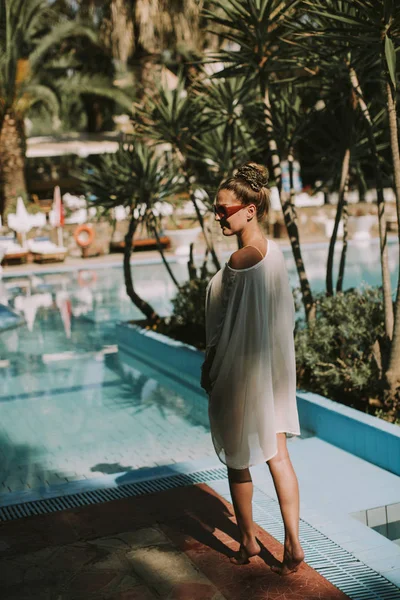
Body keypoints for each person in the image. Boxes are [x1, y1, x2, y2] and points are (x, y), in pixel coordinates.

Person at [201, 162, 304, 575]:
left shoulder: (240, 262)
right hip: (271, 376)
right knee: (278, 455)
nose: (218, 215)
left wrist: (210, 368)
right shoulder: (274, 252)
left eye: (224, 209)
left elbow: (223, 328)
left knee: (237, 459)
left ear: (249, 209)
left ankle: (248, 542)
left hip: (241, 374)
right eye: (216, 208)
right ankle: (294, 545)